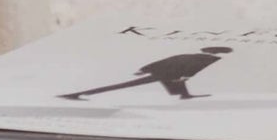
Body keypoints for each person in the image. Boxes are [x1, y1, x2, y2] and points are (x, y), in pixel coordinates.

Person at [62, 45, 232, 102]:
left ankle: (183, 95)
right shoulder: (204, 59)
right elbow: (183, 67)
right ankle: (80, 93)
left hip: (166, 73)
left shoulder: (194, 56)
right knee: (124, 85)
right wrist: (144, 71)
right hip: (165, 74)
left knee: (178, 83)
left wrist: (144, 69)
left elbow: (170, 61)